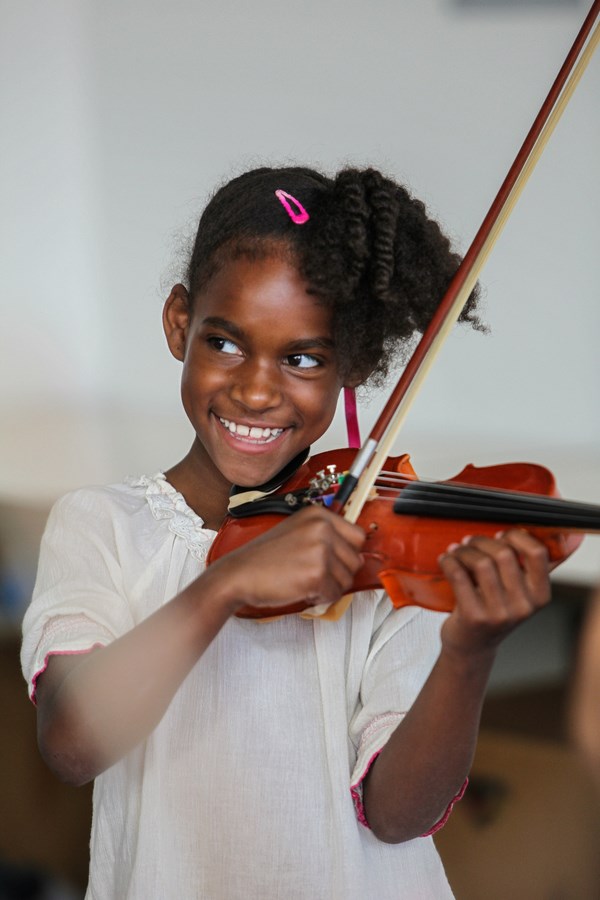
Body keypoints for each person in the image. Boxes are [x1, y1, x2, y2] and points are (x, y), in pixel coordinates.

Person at [21, 166, 553, 899]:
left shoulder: (380, 556)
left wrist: (468, 655)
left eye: (303, 358)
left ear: (353, 364)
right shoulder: (100, 525)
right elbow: (73, 745)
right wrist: (224, 584)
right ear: (179, 323)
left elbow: (399, 814)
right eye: (226, 344)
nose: (257, 390)